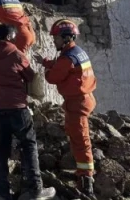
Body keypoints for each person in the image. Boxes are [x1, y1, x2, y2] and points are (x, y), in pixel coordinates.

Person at [0, 24, 56, 200]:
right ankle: (36, 189)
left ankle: (2, 193)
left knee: (2, 149)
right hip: (17, 108)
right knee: (29, 145)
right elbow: (30, 77)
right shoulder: (16, 54)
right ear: (9, 37)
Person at [42, 19, 97, 198]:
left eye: (56, 37)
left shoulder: (67, 58)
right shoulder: (75, 52)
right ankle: (82, 173)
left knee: (81, 140)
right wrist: (46, 62)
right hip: (83, 99)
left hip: (77, 103)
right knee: (77, 136)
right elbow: (64, 67)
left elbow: (53, 77)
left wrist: (46, 71)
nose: (54, 41)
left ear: (65, 38)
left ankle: (86, 179)